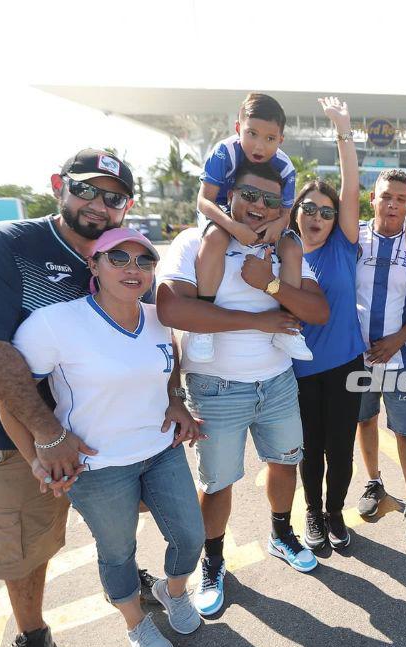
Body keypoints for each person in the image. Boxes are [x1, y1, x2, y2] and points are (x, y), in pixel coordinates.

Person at [0, 149, 159, 647]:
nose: (98, 204)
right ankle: (32, 636)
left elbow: (152, 333)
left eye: (113, 197)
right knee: (26, 547)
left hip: (105, 431)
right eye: (86, 189)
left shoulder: (123, 255)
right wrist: (47, 433)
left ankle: (126, 580)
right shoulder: (3, 246)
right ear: (57, 185)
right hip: (23, 435)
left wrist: (172, 398)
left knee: (116, 525)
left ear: (125, 207)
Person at [7, 229, 205, 647]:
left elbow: (167, 370)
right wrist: (36, 457)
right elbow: (10, 394)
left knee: (190, 536)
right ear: (93, 266)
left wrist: (176, 401)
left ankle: (172, 594)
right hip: (98, 466)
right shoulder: (55, 322)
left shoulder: (157, 318)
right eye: (118, 258)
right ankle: (135, 623)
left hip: (161, 449)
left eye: (144, 261)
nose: (133, 269)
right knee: (118, 552)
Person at [156, 159, 329, 616]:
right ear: (228, 197)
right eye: (249, 195)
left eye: (270, 200)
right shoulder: (195, 240)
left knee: (284, 463)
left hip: (275, 382)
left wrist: (269, 284)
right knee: (217, 483)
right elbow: (173, 310)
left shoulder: (284, 246)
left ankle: (280, 533)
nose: (258, 206)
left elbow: (317, 311)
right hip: (215, 387)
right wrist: (259, 320)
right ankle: (212, 562)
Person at [290, 97, 367, 551]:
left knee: (340, 449)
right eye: (309, 208)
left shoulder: (343, 244)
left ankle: (336, 512)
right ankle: (312, 515)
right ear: (296, 211)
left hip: (345, 363)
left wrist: (344, 130)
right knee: (309, 451)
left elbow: (352, 188)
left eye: (326, 210)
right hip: (299, 371)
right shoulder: (282, 251)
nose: (317, 216)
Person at [187, 92, 310, 363]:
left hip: (262, 215)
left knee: (291, 246)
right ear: (237, 128)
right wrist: (233, 227)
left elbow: (286, 212)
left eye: (269, 138)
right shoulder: (224, 153)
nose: (259, 145)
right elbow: (204, 200)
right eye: (251, 133)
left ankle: (287, 328)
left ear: (281, 139)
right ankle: (202, 327)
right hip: (222, 213)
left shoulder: (285, 167)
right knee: (217, 240)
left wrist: (277, 225)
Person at [353, 168, 406, 542]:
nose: (393, 205)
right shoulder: (355, 237)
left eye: (402, 199)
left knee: (405, 431)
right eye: (387, 197)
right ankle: (374, 483)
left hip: (399, 359)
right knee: (364, 421)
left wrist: (398, 339)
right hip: (357, 357)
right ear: (373, 198)